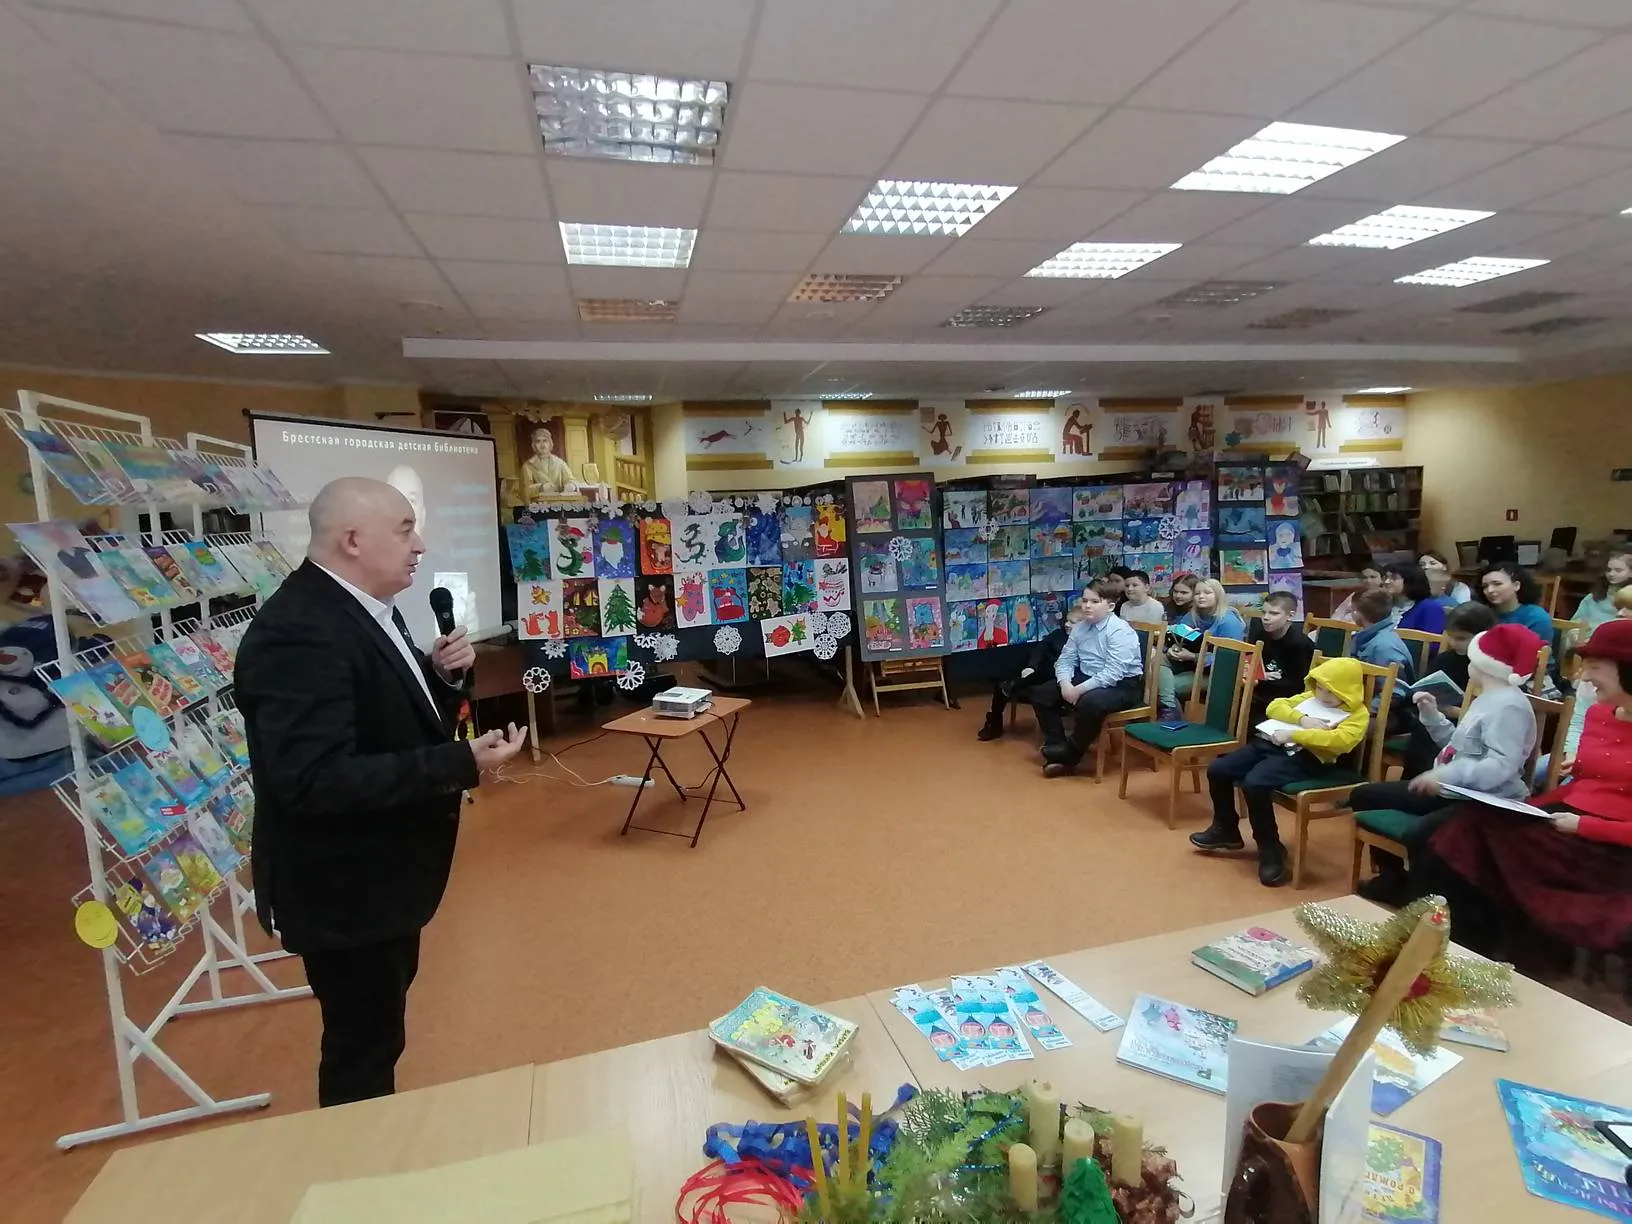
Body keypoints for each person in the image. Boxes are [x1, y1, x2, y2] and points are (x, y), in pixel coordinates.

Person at [235, 477, 528, 1107]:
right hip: (345, 889)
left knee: (378, 1034)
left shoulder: (369, 608)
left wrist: (439, 678)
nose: (419, 545)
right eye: (404, 530)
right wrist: (459, 761)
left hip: (383, 879)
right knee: (361, 1052)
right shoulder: (298, 633)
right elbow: (312, 780)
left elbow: (382, 714)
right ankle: (356, 1159)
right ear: (352, 540)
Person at [1416, 618, 1632, 959]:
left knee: (1475, 841)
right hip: (1569, 814)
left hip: (1609, 845)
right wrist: (1554, 789)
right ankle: (1462, 944)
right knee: (1465, 826)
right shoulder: (1600, 714)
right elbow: (1594, 780)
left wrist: (1583, 825)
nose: (1583, 677)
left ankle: (1481, 949)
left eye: (1595, 667)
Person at [1349, 624, 1543, 904]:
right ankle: (1392, 879)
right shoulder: (1488, 698)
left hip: (1486, 799)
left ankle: (1423, 901)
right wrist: (1432, 716)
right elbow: (1457, 748)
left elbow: (1501, 766)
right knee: (1365, 795)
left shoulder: (1510, 707)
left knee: (1423, 835)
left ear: (1486, 665)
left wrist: (1444, 775)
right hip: (1455, 788)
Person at [1191, 657, 1370, 887]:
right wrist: (1302, 719)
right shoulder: (1311, 698)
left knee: (1255, 783)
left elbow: (1341, 741)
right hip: (1271, 744)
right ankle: (1226, 828)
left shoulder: (1357, 714)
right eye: (1320, 688)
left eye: (1331, 692)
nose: (1323, 695)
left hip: (1307, 757)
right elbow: (1274, 707)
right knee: (1218, 770)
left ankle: (1270, 849)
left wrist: (1295, 734)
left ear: (1347, 691)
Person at [1035, 585, 1145, 777]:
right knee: (1042, 694)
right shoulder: (1080, 628)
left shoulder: (1120, 631)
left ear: (1110, 606)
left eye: (1095, 602)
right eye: (1085, 600)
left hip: (1123, 684)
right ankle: (1057, 746)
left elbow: (1113, 673)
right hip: (1088, 676)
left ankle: (1071, 753)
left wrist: (1078, 690)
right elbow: (1066, 660)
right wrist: (1065, 684)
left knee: (1091, 702)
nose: (1087, 606)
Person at [1399, 600, 1498, 775]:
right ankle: (1414, 781)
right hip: (1436, 718)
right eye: (1450, 636)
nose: (1453, 642)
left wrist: (1454, 711)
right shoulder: (1445, 659)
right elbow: (1423, 687)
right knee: (1421, 729)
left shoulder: (1493, 668)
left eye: (1461, 638)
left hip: (1470, 730)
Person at [977, 615, 1073, 741]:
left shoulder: (1082, 641)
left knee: (1036, 676)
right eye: (1067, 621)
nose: (1067, 624)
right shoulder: (1058, 634)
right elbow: (1040, 648)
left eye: (1073, 622)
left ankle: (1013, 685)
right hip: (1039, 665)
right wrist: (1032, 666)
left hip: (1056, 673)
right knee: (1003, 681)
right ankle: (994, 721)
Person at [1159, 578, 1245, 718]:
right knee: (1159, 660)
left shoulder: (1228, 621)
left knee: (1166, 686)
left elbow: (1228, 661)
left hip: (1217, 673)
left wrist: (1193, 657)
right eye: (1197, 593)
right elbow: (1179, 638)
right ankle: (1170, 710)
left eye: (1207, 593)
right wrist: (1172, 649)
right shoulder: (1191, 616)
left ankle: (1170, 715)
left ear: (1218, 596)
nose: (1201, 596)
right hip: (1192, 665)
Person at [1247, 592, 1314, 723]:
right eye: (1264, 612)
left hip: (1285, 700)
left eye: (1274, 613)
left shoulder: (1300, 644)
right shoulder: (1261, 635)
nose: (1266, 618)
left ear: (1290, 616)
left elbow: (1299, 685)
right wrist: (1261, 675)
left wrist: (1260, 678)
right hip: (1261, 690)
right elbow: (1250, 662)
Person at [1350, 588, 1416, 698]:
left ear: (1357, 614)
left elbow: (1394, 695)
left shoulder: (1384, 647)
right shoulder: (1363, 637)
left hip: (1377, 706)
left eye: (1352, 609)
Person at [1475, 563, 1554, 640]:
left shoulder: (1535, 616)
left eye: (1497, 584)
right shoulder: (1481, 615)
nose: (1490, 590)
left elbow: (1538, 647)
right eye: (1485, 586)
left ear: (1516, 585)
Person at [1383, 562, 1450, 634]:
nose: (1386, 582)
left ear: (1410, 581)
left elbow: (1433, 639)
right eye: (1386, 578)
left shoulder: (1430, 607)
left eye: (1394, 578)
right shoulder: (1383, 605)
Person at [1571, 550, 1631, 629]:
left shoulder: (1629, 599)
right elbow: (1574, 623)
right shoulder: (1593, 596)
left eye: (1618, 570)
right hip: (1585, 634)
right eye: (1608, 570)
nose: (1611, 574)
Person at [520, 425, 577, 501]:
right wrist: (541, 487)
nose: (542, 445)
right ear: (533, 446)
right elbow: (524, 490)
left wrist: (571, 485)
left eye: (545, 441)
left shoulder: (560, 463)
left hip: (560, 502)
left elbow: (570, 480)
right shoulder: (528, 465)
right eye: (538, 441)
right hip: (539, 504)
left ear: (550, 443)